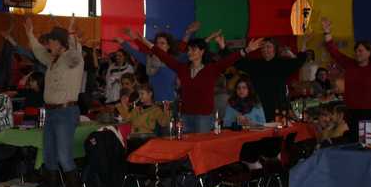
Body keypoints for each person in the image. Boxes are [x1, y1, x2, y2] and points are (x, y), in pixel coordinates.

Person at [134, 28, 263, 133]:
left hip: (203, 117)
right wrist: (145, 42)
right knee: (186, 149)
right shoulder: (182, 68)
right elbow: (164, 56)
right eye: (189, 50)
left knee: (201, 149)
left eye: (193, 49)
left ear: (202, 52)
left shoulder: (211, 69)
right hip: (185, 116)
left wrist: (247, 50)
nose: (189, 52)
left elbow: (229, 60)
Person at [23, 16, 84, 187]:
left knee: (64, 157)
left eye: (50, 41)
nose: (47, 45)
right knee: (49, 157)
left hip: (66, 112)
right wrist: (29, 33)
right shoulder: (52, 60)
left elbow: (76, 55)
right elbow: (38, 51)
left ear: (59, 42)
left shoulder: (72, 59)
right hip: (51, 113)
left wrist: (72, 34)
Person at [235, 38, 308, 123]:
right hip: (259, 107)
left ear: (274, 49)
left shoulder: (282, 63)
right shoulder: (255, 64)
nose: (265, 49)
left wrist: (302, 48)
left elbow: (298, 62)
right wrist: (247, 50)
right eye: (263, 47)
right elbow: (237, 62)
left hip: (279, 107)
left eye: (268, 47)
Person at [121, 27, 183, 104]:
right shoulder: (150, 60)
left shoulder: (174, 62)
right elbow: (134, 52)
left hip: (169, 103)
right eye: (157, 43)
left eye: (162, 43)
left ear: (168, 46)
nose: (159, 45)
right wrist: (122, 42)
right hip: (153, 103)